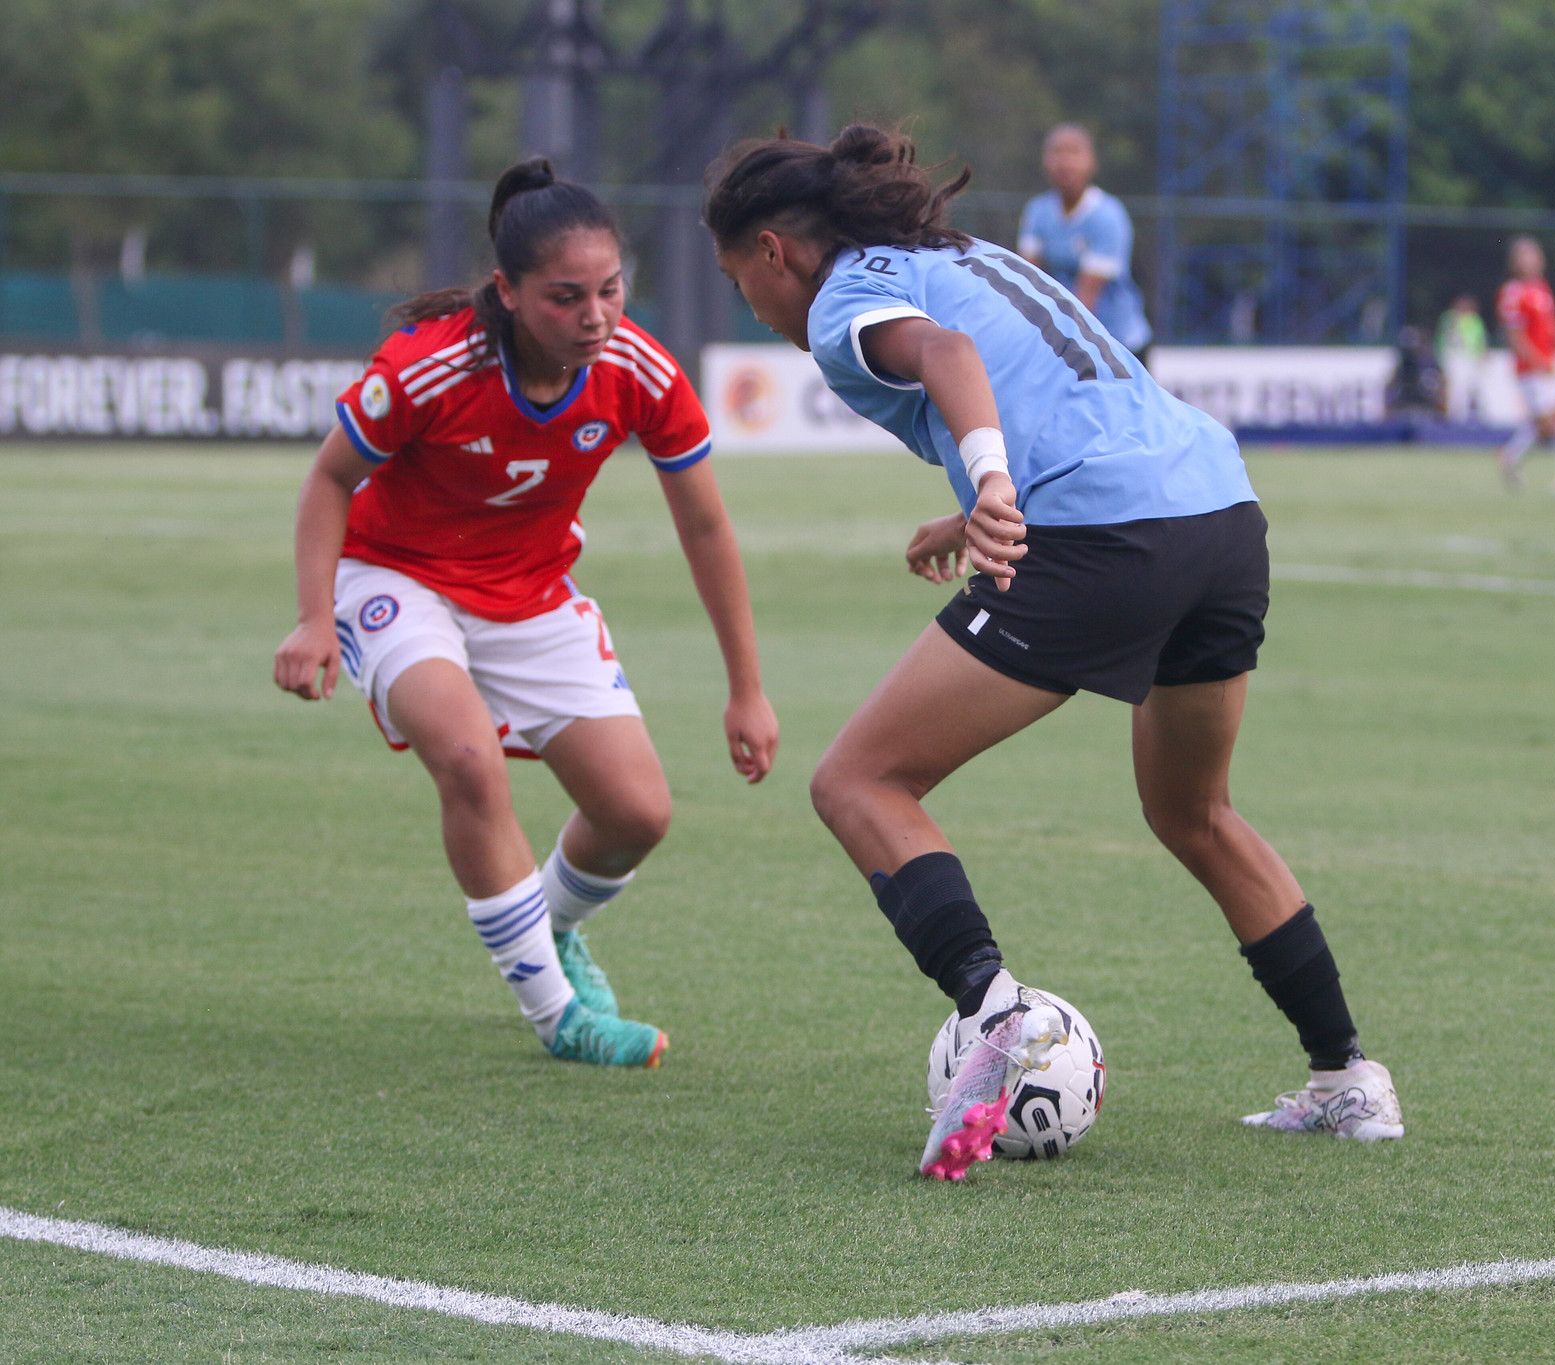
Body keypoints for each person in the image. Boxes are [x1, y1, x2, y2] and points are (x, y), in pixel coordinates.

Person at [705, 125, 1402, 1180]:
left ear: (772, 250)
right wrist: (980, 499)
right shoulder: (961, 254)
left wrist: (987, 486)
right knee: (1192, 812)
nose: (747, 306)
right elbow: (1058, 379)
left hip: (1104, 535)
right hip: (1216, 512)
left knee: (859, 780)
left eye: (734, 281)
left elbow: (948, 359)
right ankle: (1346, 1079)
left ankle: (998, 1016)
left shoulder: (847, 295)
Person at [272, 159, 779, 1066]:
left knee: (635, 813)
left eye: (611, 289)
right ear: (506, 292)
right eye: (565, 297)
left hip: (534, 590)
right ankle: (558, 1016)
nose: (595, 316)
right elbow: (329, 481)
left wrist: (747, 687)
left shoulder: (638, 370)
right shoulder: (427, 369)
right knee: (467, 759)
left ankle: (548, 927)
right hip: (396, 579)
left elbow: (705, 526)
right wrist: (315, 618)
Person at [1018, 123, 1154, 364]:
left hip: (1119, 344)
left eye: (1074, 152)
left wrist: (1057, 347)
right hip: (1064, 339)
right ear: (1044, 162)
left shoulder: (1108, 216)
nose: (1065, 162)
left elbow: (1086, 298)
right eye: (1057, 152)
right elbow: (1028, 281)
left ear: (1092, 163)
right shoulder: (1038, 212)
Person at [1496, 237, 1555, 498]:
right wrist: (1538, 361)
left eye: (1534, 254)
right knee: (1548, 423)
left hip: (1550, 363)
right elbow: (1515, 335)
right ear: (1515, 262)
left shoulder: (1541, 288)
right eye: (1525, 255)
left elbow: (1541, 322)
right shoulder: (1513, 293)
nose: (1532, 260)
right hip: (1531, 369)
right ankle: (1513, 456)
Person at [1436, 293, 1488, 422]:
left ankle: (1471, 416)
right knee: (1455, 387)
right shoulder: (1450, 318)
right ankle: (1454, 416)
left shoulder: (1475, 320)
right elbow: (1446, 338)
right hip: (1455, 356)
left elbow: (1480, 339)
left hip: (1470, 357)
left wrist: (1482, 354)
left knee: (1472, 386)